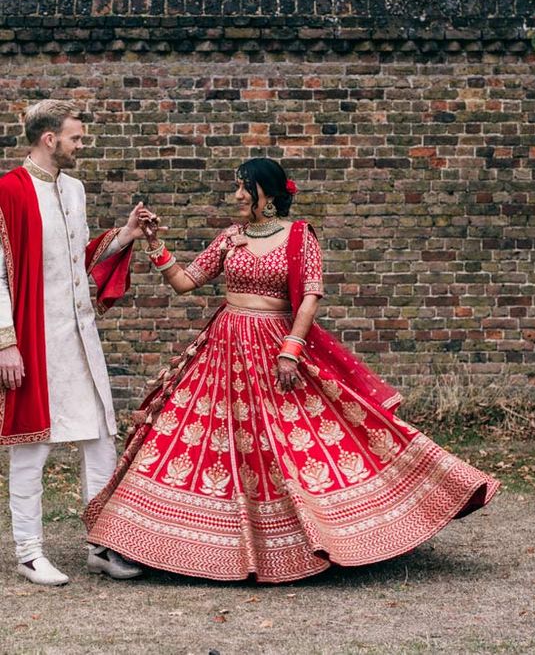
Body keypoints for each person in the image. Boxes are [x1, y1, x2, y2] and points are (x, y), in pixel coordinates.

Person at [84, 157, 499, 582]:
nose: (238, 195)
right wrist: (154, 244)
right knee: (191, 439)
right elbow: (185, 281)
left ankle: (316, 538)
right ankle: (128, 541)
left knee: (291, 445)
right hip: (222, 351)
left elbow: (310, 298)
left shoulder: (300, 236)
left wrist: (291, 350)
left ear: (268, 192)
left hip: (275, 348)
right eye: (237, 187)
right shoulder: (231, 237)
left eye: (245, 187)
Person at [0, 100, 144, 585]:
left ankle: (102, 545)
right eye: (75, 138)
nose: (81, 145)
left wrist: (124, 235)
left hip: (79, 334)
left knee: (99, 439)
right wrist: (6, 343)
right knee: (31, 445)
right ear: (49, 139)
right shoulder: (7, 192)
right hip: (33, 337)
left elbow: (79, 258)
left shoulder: (75, 190)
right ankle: (28, 552)